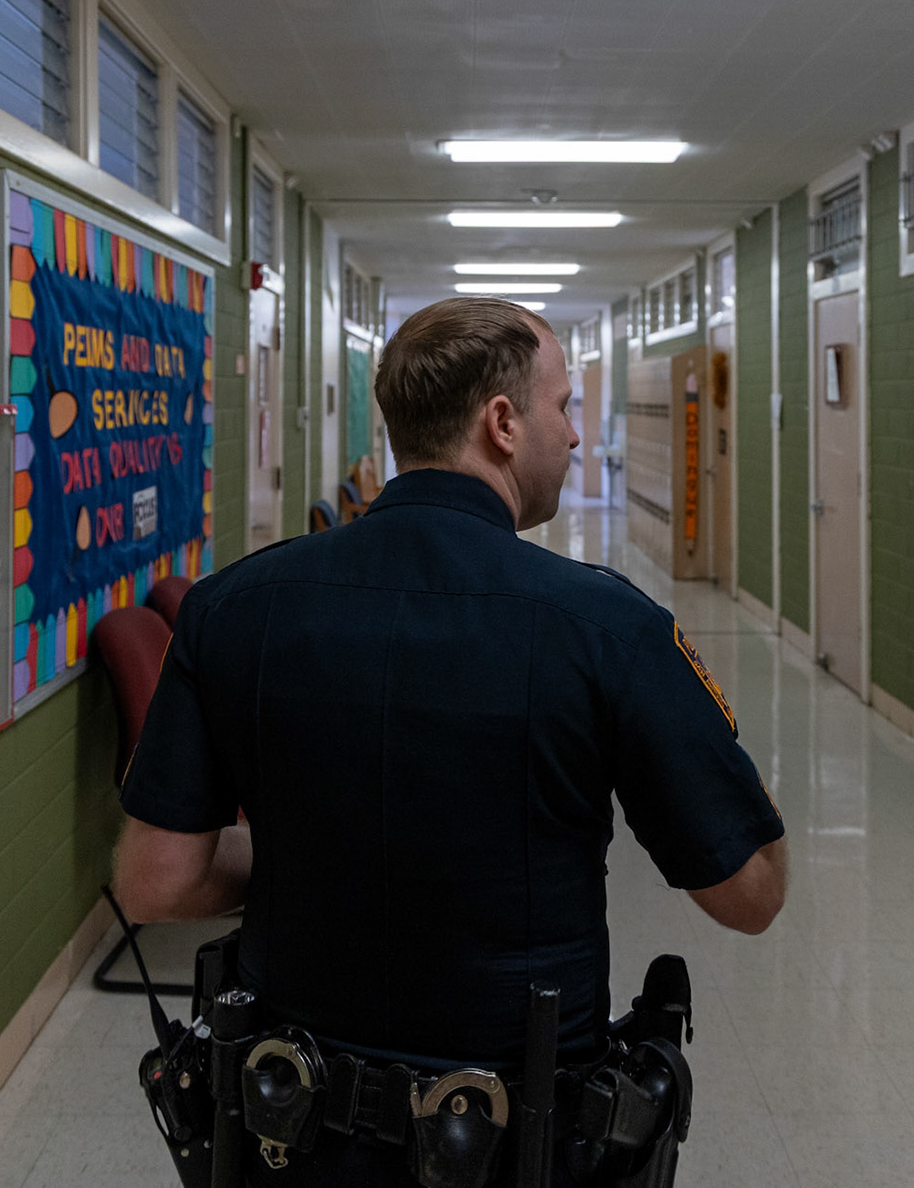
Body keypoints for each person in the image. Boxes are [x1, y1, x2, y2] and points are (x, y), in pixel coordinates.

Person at [112, 296, 787, 1184]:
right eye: (564, 407)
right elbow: (750, 892)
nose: (577, 436)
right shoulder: (604, 627)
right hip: (519, 1140)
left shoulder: (235, 609)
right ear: (501, 423)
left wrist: (322, 859)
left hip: (289, 1129)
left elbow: (155, 880)